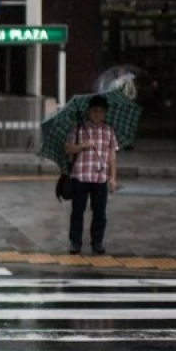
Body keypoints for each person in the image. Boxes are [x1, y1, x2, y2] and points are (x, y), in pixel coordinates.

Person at [64, 94, 118, 255]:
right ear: (89, 111)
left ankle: (97, 242)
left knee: (100, 212)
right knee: (77, 211)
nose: (98, 114)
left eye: (101, 111)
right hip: (80, 176)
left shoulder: (108, 131)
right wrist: (84, 145)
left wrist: (113, 177)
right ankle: (75, 242)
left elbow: (112, 155)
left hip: (100, 178)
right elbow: (68, 148)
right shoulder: (78, 128)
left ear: (105, 113)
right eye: (95, 111)